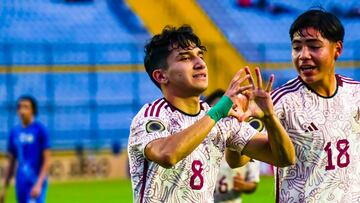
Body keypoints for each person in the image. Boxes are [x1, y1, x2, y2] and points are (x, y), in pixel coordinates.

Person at [128, 25, 295, 202]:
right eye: (185, 58)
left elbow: (284, 158)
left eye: (200, 55)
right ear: (161, 76)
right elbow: (167, 155)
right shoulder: (151, 116)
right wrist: (216, 114)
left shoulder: (219, 117)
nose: (200, 63)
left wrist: (269, 117)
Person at [272, 8, 360, 202]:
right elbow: (239, 159)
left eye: (313, 46)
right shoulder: (280, 101)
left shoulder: (355, 93)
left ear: (337, 49)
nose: (303, 55)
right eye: (297, 47)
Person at [206, 90, 260, 203]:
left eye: (225, 110)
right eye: (216, 110)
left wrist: (244, 185)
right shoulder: (200, 144)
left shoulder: (246, 145)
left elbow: (253, 184)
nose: (221, 116)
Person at [0, 96, 51, 203]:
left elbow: (47, 160)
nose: (22, 110)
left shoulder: (40, 130)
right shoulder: (14, 132)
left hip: (35, 180)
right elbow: (11, 162)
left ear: (33, 110)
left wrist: (39, 184)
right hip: (21, 182)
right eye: (20, 107)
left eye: (26, 107)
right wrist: (4, 189)